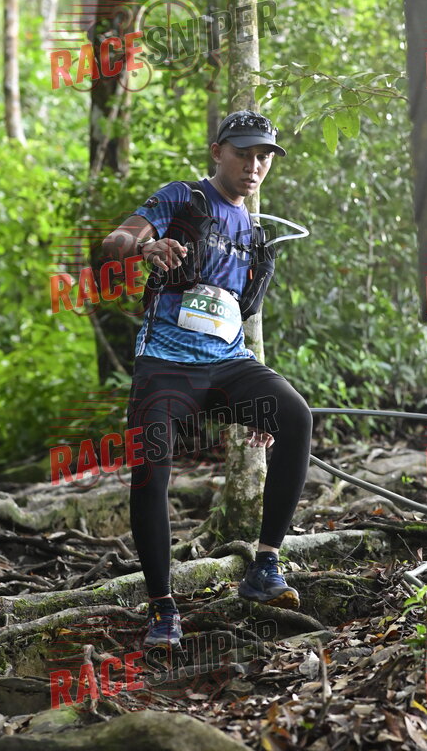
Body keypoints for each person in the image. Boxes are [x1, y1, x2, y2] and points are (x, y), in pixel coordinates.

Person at [101, 110, 313, 648]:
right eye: (243, 153)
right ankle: (162, 607)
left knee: (294, 415)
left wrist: (255, 403)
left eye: (263, 156)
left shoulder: (254, 231)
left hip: (229, 364)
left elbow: (234, 313)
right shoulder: (183, 198)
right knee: (151, 470)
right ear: (218, 152)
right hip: (165, 364)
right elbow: (113, 242)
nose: (254, 165)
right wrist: (145, 247)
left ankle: (265, 567)